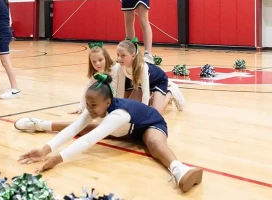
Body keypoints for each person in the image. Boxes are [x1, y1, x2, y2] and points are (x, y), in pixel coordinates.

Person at [16, 74, 202, 193]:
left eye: (94, 105)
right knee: (82, 126)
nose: (89, 109)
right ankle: (41, 125)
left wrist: (57, 159)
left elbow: (89, 140)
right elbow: (74, 129)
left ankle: (179, 169)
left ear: (108, 102)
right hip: (127, 130)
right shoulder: (97, 109)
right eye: (87, 104)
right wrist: (44, 150)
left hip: (149, 124)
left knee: (154, 144)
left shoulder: (118, 114)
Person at [117, 39, 185, 113]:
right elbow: (120, 88)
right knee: (129, 107)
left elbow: (145, 93)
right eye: (118, 55)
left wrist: (145, 113)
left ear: (133, 56)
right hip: (142, 84)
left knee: (156, 113)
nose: (119, 58)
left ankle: (171, 92)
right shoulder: (120, 66)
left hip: (158, 81)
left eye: (123, 55)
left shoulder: (142, 68)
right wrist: (118, 106)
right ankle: (154, 98)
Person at [71, 42, 121, 114]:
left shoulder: (115, 68)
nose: (97, 64)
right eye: (94, 61)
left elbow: (115, 89)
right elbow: (87, 89)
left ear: (106, 58)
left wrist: (111, 108)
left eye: (100, 60)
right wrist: (81, 107)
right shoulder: (95, 72)